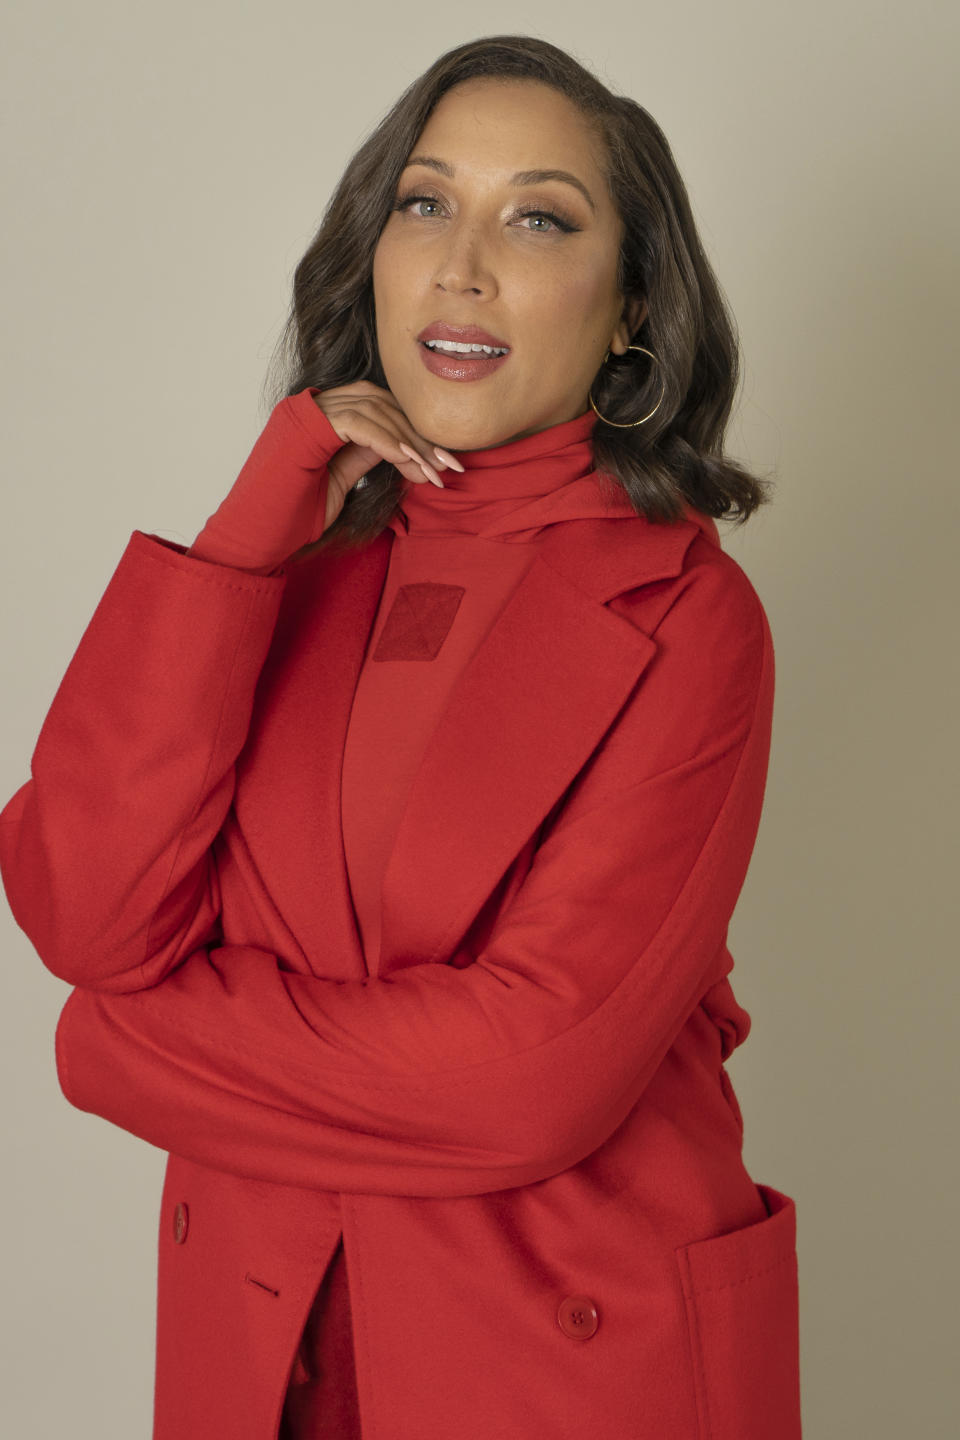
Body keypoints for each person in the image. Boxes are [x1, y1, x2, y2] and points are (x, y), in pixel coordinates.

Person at [0, 32, 802, 1440]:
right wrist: (254, 528)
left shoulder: (692, 618)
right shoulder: (290, 570)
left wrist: (129, 1046)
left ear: (632, 308)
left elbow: (526, 1083)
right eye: (425, 203)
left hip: (561, 1360)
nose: (460, 264)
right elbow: (82, 910)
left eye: (538, 217)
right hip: (266, 1338)